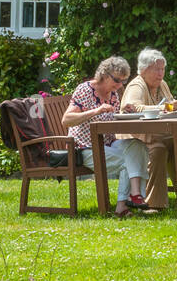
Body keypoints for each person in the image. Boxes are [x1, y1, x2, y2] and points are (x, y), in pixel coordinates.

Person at [63, 57, 151, 217]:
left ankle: (132, 198)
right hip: (84, 148)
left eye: (123, 82)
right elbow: (66, 120)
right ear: (104, 74)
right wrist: (95, 111)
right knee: (129, 160)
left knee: (138, 146)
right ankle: (126, 203)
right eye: (117, 80)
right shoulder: (85, 90)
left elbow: (110, 119)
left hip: (107, 144)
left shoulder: (113, 94)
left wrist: (124, 112)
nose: (119, 85)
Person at [118, 48, 177, 212]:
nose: (160, 73)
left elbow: (169, 106)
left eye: (162, 69)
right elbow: (133, 107)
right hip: (138, 139)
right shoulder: (137, 85)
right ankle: (153, 203)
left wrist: (176, 106)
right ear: (144, 70)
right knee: (158, 150)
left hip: (160, 134)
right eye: (156, 69)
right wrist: (165, 107)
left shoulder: (162, 84)